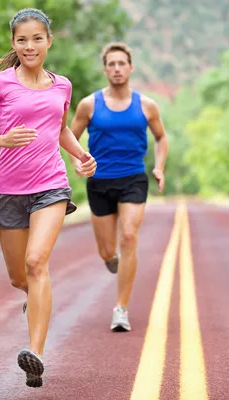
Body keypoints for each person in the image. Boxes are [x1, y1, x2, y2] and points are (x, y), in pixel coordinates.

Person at [0, 8, 97, 388]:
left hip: (50, 185)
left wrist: (81, 155)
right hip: (7, 190)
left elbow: (59, 131)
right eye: (22, 39)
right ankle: (35, 299)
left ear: (49, 41)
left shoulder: (62, 85)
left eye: (37, 38)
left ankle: (35, 353)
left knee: (37, 262)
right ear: (13, 43)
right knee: (19, 276)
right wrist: (0, 139)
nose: (29, 46)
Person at [69, 42, 168, 332]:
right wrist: (77, 162)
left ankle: (120, 308)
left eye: (121, 63)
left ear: (130, 68)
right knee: (106, 250)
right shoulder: (89, 104)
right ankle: (109, 258)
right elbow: (69, 137)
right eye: (111, 64)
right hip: (99, 181)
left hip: (133, 178)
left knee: (128, 237)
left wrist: (159, 166)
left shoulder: (147, 105)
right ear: (105, 69)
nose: (116, 69)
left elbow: (162, 138)